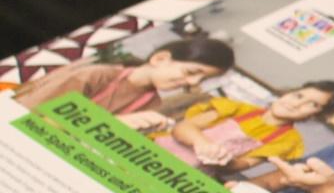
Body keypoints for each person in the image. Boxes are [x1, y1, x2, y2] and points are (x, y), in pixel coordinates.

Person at [11, 38, 234, 131]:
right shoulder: (97, 75)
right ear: (160, 59)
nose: (193, 82)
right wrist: (115, 123)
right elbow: (26, 115)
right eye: (192, 72)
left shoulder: (153, 102)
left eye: (202, 80)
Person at [161, 80, 334, 173]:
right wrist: (202, 143)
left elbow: (243, 165)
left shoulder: (288, 141)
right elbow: (183, 128)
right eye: (298, 95)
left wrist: (223, 159)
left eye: (312, 105)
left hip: (184, 173)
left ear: (317, 115)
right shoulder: (236, 108)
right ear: (287, 92)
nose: (297, 104)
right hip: (154, 152)